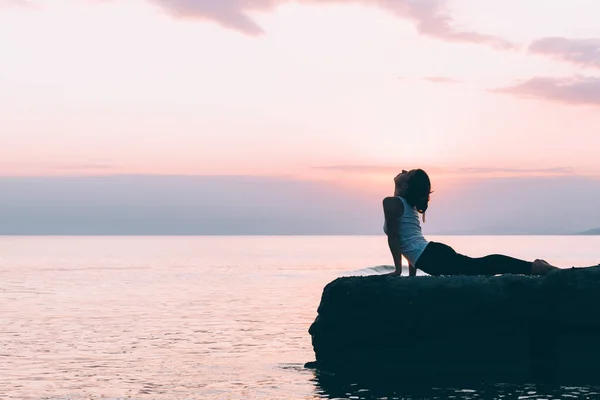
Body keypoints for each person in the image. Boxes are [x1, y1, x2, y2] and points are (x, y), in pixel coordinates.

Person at [383, 169, 560, 276]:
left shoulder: (393, 203)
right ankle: (533, 266)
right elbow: (408, 241)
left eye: (408, 173)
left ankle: (534, 267)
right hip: (431, 254)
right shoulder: (403, 204)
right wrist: (411, 276)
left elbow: (395, 239)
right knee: (479, 265)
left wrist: (398, 271)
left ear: (406, 186)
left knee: (481, 266)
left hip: (432, 256)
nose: (403, 171)